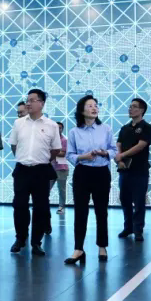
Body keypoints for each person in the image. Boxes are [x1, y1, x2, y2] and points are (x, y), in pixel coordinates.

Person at [8, 89, 61, 256]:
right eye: (27, 100)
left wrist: (41, 159)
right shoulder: (18, 123)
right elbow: (14, 145)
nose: (28, 103)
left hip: (41, 171)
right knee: (19, 206)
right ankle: (20, 238)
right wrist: (24, 158)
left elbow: (55, 149)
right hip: (22, 170)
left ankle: (36, 242)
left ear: (41, 103)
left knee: (41, 207)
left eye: (32, 100)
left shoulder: (51, 125)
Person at [64, 96, 116, 264]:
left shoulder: (106, 129)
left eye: (96, 106)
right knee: (80, 211)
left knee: (101, 211)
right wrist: (83, 157)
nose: (94, 108)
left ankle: (102, 246)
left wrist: (105, 153)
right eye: (90, 106)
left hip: (101, 172)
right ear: (81, 110)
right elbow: (70, 155)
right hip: (82, 173)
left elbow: (114, 150)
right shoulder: (74, 132)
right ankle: (78, 249)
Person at [116, 98, 151, 241]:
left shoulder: (146, 127)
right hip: (124, 169)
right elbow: (118, 144)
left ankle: (138, 230)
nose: (130, 109)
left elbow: (141, 145)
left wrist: (122, 155)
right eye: (130, 106)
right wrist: (119, 159)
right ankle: (128, 227)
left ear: (142, 110)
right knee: (124, 200)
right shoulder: (124, 128)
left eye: (134, 106)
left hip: (140, 170)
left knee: (139, 201)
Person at [54, 122, 69, 215]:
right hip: (50, 168)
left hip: (61, 168)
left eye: (60, 128)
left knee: (61, 190)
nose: (58, 129)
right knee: (45, 188)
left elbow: (63, 153)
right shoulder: (49, 139)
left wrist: (51, 151)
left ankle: (61, 207)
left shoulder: (64, 140)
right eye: (56, 127)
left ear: (62, 129)